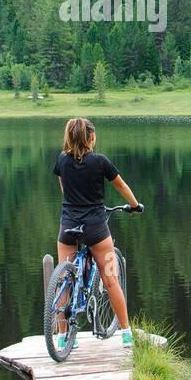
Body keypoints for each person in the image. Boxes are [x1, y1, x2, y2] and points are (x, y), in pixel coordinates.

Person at [52, 117, 142, 349]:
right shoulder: (100, 161)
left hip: (68, 227)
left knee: (64, 279)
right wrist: (134, 205)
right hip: (96, 229)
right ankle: (126, 334)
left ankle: (62, 337)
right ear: (90, 137)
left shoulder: (62, 160)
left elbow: (64, 188)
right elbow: (120, 185)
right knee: (111, 279)